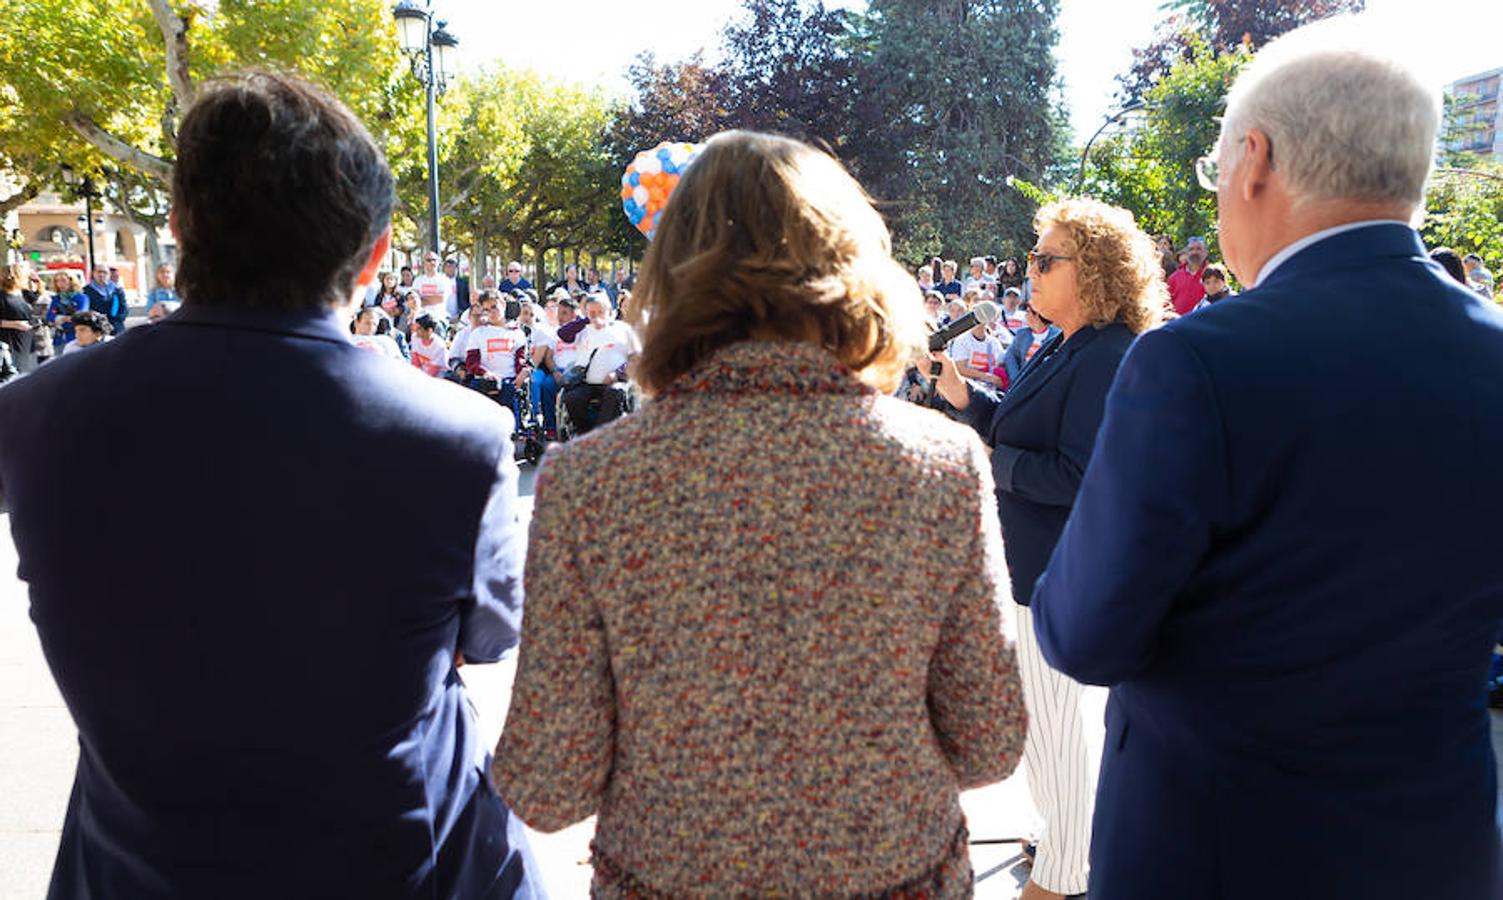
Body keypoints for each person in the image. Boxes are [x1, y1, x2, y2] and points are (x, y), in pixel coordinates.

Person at [0, 71, 536, 898]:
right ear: (374, 255)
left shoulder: (35, 414)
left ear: (179, 228)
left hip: (134, 867)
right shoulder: (459, 436)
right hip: (399, 865)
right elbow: (488, 639)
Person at [1032, 21, 1503, 900]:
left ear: (1253, 160)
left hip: (1214, 850)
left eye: (1213, 174)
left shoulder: (1194, 363)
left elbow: (1083, 635)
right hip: (1439, 849)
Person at [495, 128, 1026, 896]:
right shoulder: (938, 465)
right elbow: (987, 744)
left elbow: (548, 785)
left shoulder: (591, 480)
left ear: (670, 273)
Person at [929, 197, 1163, 900]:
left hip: (1064, 577)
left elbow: (1076, 473)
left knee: (1062, 739)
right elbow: (1019, 432)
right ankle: (1061, 845)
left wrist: (980, 457)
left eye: (1043, 259)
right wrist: (966, 401)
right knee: (1039, 732)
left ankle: (1062, 879)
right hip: (1034, 569)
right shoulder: (1064, 342)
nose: (1027, 270)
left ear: (1091, 271)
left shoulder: (1108, 352)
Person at [560, 294, 637, 435]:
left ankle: (600, 435)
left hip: (614, 382)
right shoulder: (583, 329)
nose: (597, 316)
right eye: (592, 312)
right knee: (572, 398)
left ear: (609, 311)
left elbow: (636, 357)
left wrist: (618, 373)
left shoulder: (623, 329)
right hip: (586, 382)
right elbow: (563, 334)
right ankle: (587, 433)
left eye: (600, 312)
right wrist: (585, 321)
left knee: (615, 393)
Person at [946, 309, 1005, 391]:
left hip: (991, 389)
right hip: (969, 388)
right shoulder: (962, 340)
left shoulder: (994, 342)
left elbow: (1001, 365)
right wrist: (986, 376)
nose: (978, 321)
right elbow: (960, 369)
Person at [1001, 303, 1059, 387]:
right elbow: (1010, 355)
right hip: (1022, 381)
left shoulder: (1056, 336)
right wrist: (1016, 378)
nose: (1025, 315)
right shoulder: (1022, 333)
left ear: (1037, 315)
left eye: (1028, 312)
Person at [0, 264, 38, 374]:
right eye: (25, 276)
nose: (28, 278)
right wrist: (15, 324)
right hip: (10, 344)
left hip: (27, 343)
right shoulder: (2, 296)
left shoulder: (24, 294)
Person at [80, 262, 129, 338]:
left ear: (109, 274)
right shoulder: (86, 291)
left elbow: (124, 309)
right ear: (93, 273)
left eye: (105, 272)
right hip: (96, 329)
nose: (101, 275)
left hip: (116, 328)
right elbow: (86, 311)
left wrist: (114, 323)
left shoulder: (117, 290)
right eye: (99, 272)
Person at [1166, 236, 1209, 314]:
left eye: (1198, 249)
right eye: (1191, 249)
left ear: (1206, 253)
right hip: (1179, 324)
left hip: (1205, 323)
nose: (1194, 252)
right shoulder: (1174, 277)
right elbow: (1165, 303)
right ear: (1187, 253)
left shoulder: (1212, 274)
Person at [410, 251, 456, 321]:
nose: (432, 262)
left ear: (438, 262)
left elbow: (441, 299)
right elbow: (413, 300)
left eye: (434, 260)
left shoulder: (444, 279)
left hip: (439, 318)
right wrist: (432, 298)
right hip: (420, 317)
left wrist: (421, 299)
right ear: (423, 262)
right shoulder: (418, 280)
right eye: (429, 260)